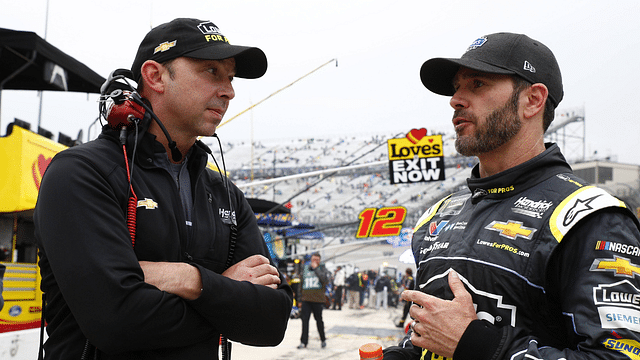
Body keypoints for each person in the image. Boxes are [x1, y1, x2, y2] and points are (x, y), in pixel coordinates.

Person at [34, 18, 293, 359]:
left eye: (229, 77)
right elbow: (118, 321)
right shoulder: (81, 172)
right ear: (155, 76)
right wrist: (225, 295)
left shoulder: (225, 192)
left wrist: (188, 278)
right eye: (211, 71)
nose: (229, 91)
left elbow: (272, 321)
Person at [383, 32, 640, 360]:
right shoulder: (439, 215)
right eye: (456, 87)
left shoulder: (589, 218)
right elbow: (427, 338)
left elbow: (618, 356)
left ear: (532, 100)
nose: (455, 99)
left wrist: (477, 345)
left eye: (477, 84)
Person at [297, 252, 329, 349]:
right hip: (306, 300)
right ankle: (303, 342)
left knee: (319, 320)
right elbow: (300, 284)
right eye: (313, 259)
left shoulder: (322, 268)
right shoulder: (305, 269)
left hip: (318, 300)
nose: (315, 261)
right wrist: (299, 299)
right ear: (311, 259)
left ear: (319, 261)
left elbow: (325, 280)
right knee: (304, 321)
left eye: (317, 260)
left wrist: (316, 269)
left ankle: (323, 339)